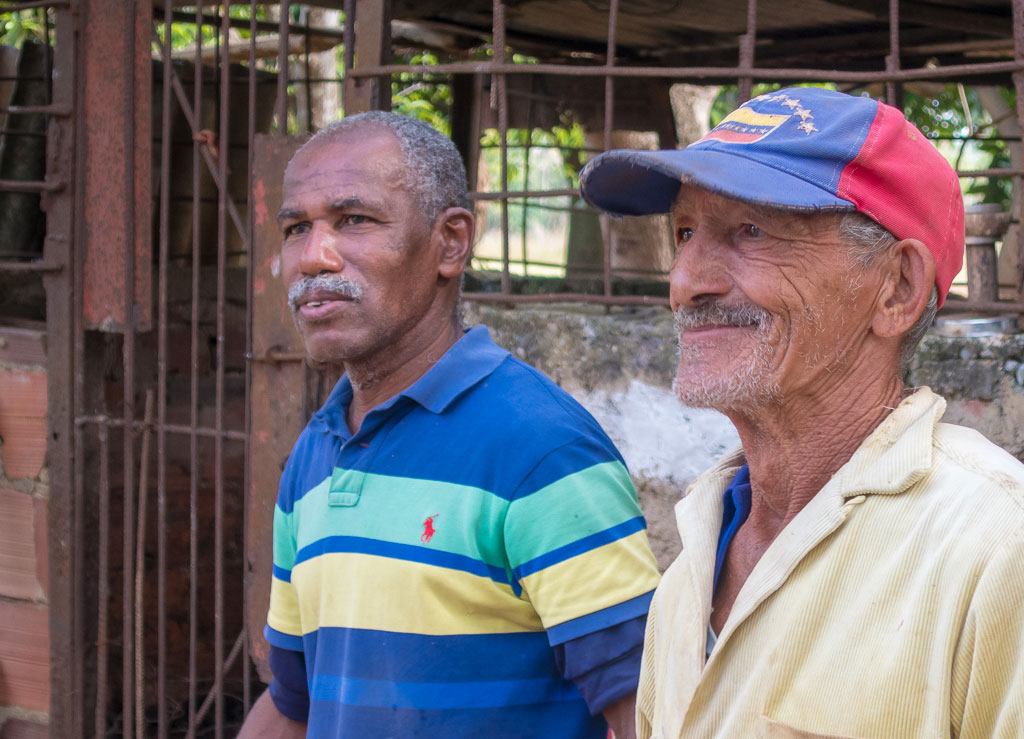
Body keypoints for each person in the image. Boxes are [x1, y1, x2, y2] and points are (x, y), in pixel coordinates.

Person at [580, 86, 1024, 738]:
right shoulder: (689, 574)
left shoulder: (992, 550)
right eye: (684, 233)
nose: (684, 281)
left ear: (895, 288)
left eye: (750, 231)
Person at [238, 111, 661, 739]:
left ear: (451, 243)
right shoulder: (316, 452)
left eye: (354, 220)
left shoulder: (539, 449)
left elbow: (644, 713)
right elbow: (295, 702)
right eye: (297, 228)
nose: (313, 256)